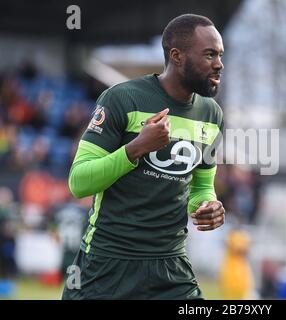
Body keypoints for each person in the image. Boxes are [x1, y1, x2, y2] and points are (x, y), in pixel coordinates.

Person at [62, 14, 225, 299]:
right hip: (107, 266)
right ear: (177, 56)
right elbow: (79, 182)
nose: (219, 64)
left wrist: (208, 205)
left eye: (220, 55)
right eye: (209, 54)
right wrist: (135, 148)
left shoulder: (211, 115)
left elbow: (200, 187)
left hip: (170, 268)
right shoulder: (122, 99)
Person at [219, 230, 254, 299]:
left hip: (241, 270)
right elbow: (237, 249)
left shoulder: (242, 237)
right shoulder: (233, 237)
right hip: (232, 270)